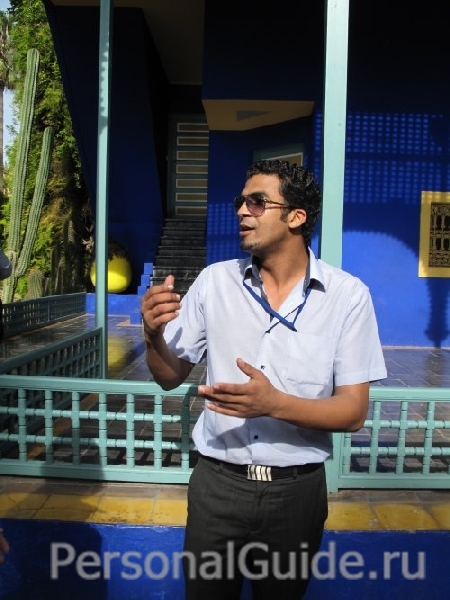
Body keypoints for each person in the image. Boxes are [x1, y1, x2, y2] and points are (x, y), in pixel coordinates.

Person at [140, 159, 387, 599]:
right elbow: (168, 377)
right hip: (217, 486)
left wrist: (274, 404)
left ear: (296, 217)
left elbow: (352, 412)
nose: (241, 210)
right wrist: (153, 336)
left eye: (257, 202)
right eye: (241, 200)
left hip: (297, 494)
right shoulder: (215, 282)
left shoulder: (348, 297)